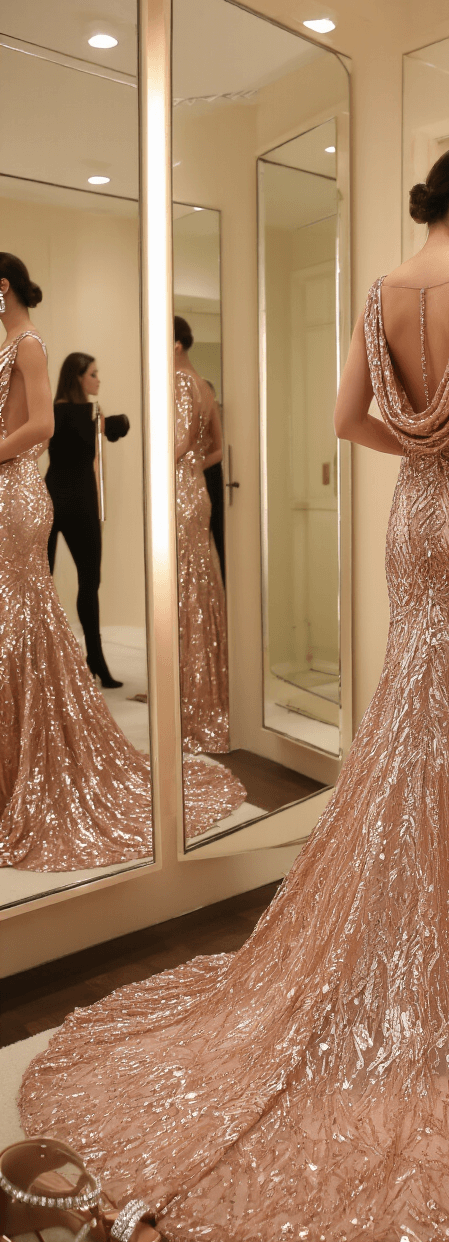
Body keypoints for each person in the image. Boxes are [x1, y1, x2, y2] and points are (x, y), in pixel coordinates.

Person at [20, 150, 449, 1242]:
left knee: (416, 718)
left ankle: (410, 915)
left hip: (414, 520)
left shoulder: (382, 294)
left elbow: (348, 419)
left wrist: (425, 446)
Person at [0, 251, 246, 870]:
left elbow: (40, 429)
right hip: (21, 486)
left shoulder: (29, 344)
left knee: (23, 614)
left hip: (22, 490)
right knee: (21, 615)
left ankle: (43, 752)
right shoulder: (14, 344)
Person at [46, 351, 129, 688]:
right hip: (79, 501)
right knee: (88, 581)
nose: (98, 379)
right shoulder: (91, 413)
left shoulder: (53, 410)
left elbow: (114, 430)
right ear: (78, 376)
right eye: (93, 374)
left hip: (50, 496)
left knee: (43, 583)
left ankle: (46, 664)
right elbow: (119, 428)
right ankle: (94, 658)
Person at [174, 316, 230, 752]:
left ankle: (190, 696)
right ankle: (206, 689)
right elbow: (216, 447)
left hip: (178, 493)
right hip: (196, 492)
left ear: (174, 345)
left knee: (183, 591)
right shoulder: (204, 385)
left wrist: (174, 464)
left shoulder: (177, 382)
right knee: (200, 585)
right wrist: (193, 469)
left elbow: (173, 444)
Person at [203, 379, 226, 585]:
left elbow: (222, 450)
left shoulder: (217, 415)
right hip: (195, 484)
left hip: (213, 478)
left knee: (220, 538)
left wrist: (197, 464)